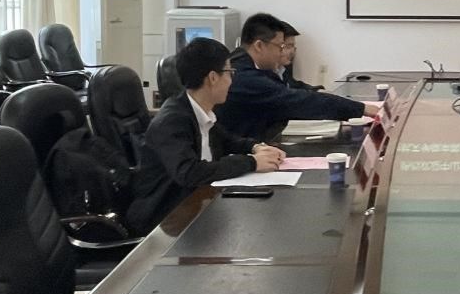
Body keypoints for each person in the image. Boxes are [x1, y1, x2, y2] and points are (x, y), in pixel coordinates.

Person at [129, 37, 285, 233]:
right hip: (166, 219)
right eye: (229, 72)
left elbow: (227, 140)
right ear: (213, 77)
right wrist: (252, 162)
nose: (231, 80)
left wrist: (256, 147)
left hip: (199, 205)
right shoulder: (172, 121)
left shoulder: (199, 110)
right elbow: (189, 173)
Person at [219, 14, 378, 140]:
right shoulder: (244, 76)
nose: (282, 52)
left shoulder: (248, 65)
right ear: (259, 46)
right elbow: (297, 100)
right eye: (280, 46)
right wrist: (362, 109)